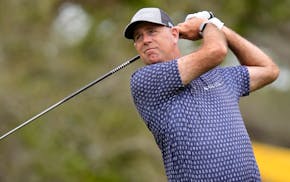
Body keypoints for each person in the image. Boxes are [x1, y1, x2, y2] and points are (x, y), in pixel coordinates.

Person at [123, 7, 279, 181]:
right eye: (138, 37)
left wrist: (219, 26)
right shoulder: (144, 80)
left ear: (175, 34)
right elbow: (217, 51)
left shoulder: (218, 76)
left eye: (152, 32)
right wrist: (206, 25)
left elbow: (269, 70)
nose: (145, 40)